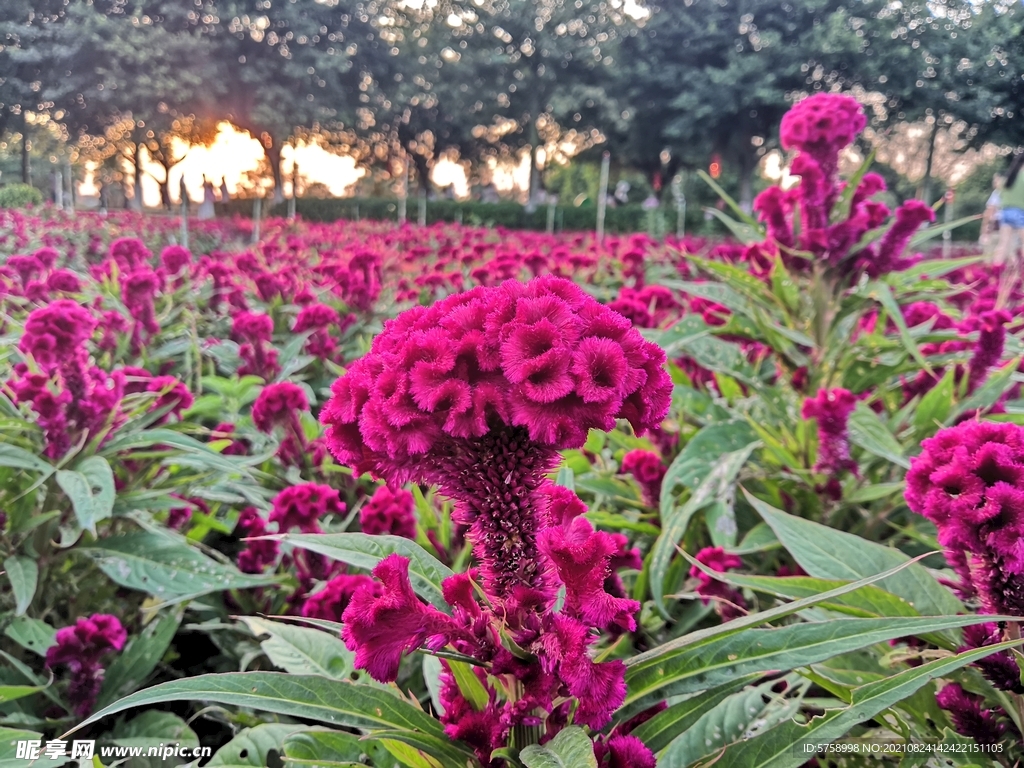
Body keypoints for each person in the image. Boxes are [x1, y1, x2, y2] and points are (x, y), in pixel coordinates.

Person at [995, 153, 1024, 306]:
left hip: (1005, 212)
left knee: (1003, 244)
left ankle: (996, 272)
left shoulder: (1007, 179)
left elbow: (999, 195)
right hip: (1021, 212)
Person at [980, 173, 1003, 255]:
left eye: (997, 180)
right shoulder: (1010, 193)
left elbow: (989, 212)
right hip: (1009, 228)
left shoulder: (996, 194)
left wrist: (984, 231)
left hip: (997, 228)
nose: (994, 182)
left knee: (990, 253)